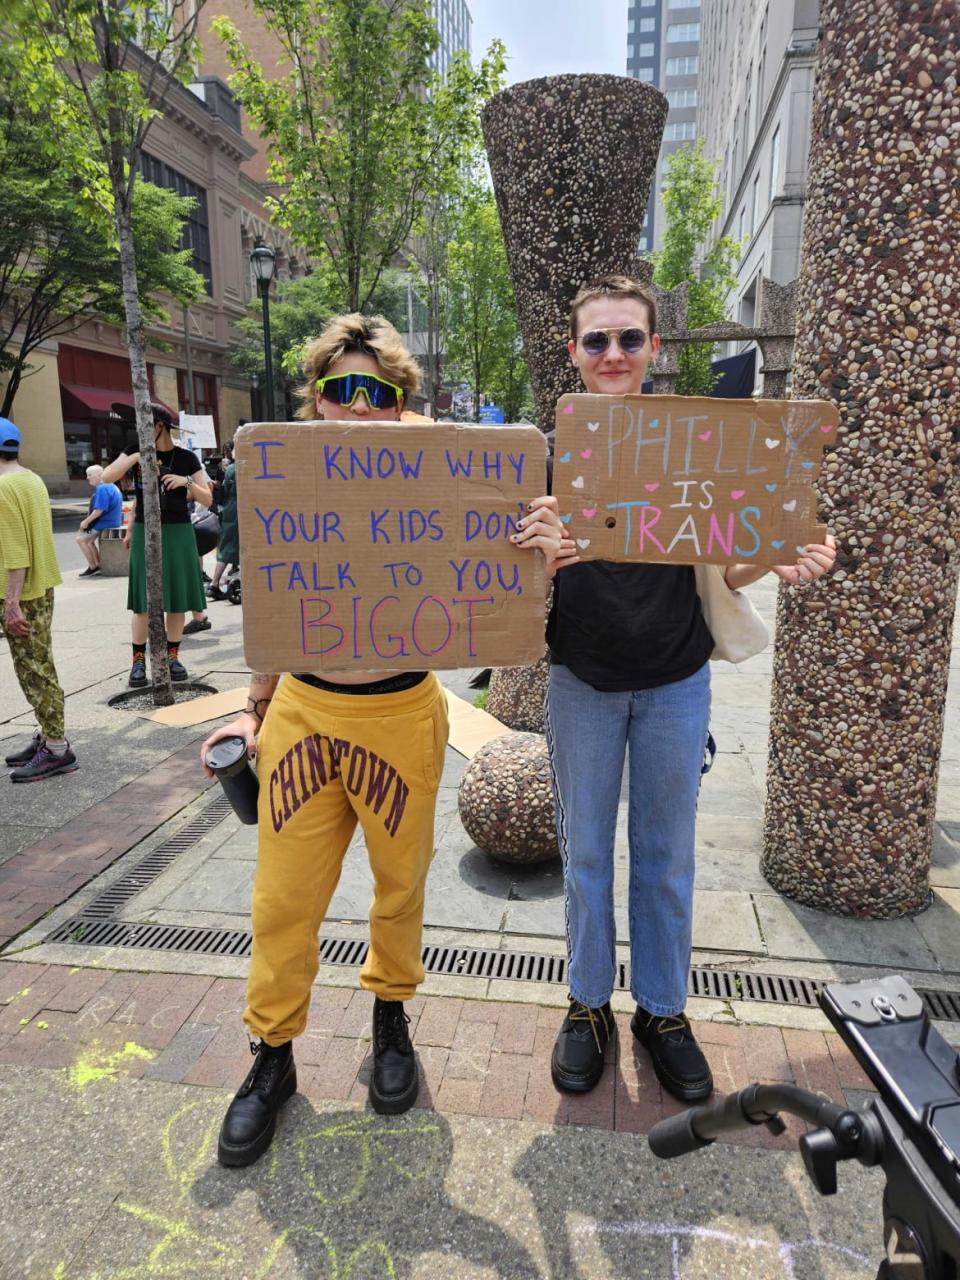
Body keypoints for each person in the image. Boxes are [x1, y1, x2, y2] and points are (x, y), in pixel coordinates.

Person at [200, 313, 563, 1168]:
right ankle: (273, 1056)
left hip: (402, 717)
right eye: (341, 390)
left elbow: (498, 513)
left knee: (399, 889)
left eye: (379, 392)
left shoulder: (437, 471)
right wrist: (252, 710)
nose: (359, 407)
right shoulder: (285, 473)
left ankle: (389, 1016)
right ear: (316, 399)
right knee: (284, 899)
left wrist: (532, 527)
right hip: (303, 720)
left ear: (400, 401)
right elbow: (279, 600)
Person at [546, 275, 837, 1103]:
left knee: (668, 859)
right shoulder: (550, 450)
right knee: (586, 857)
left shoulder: (695, 442)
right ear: (575, 352)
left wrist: (777, 560)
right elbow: (508, 579)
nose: (612, 354)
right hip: (581, 682)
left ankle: (663, 1012)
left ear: (653, 351)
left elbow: (723, 558)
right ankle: (588, 1003)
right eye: (597, 341)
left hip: (676, 681)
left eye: (628, 339)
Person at [101, 407, 213, 686]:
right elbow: (106, 476)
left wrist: (186, 481)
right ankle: (138, 662)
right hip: (144, 530)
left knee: (176, 600)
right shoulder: (134, 449)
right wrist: (139, 456)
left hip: (178, 531)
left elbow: (208, 499)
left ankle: (172, 657)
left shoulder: (186, 458)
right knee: (143, 601)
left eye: (144, 424)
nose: (139, 430)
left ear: (160, 426)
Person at [0, 417, 78, 781]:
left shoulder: (2, 487)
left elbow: (15, 553)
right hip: (42, 586)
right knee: (40, 663)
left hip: (22, 592)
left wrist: (11, 603)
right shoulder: (31, 479)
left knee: (34, 671)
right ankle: (47, 735)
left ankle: (57, 748)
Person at [76, 464, 122, 577]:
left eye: (90, 475)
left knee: (80, 539)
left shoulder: (102, 488)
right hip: (113, 521)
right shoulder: (111, 485)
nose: (87, 478)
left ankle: (93, 566)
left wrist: (85, 522)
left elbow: (99, 511)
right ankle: (97, 565)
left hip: (105, 523)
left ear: (99, 475)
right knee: (89, 541)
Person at [206, 442, 238, 602]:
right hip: (237, 510)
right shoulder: (240, 468)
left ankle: (215, 583)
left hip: (228, 509)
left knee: (226, 545)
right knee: (229, 547)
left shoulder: (231, 469)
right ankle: (214, 583)